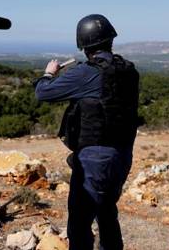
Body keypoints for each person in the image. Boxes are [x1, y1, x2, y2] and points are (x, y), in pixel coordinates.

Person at [34, 14, 139, 250]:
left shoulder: (86, 72)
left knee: (80, 222)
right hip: (123, 154)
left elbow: (43, 93)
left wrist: (49, 73)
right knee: (107, 212)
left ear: (83, 45)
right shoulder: (128, 70)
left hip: (95, 158)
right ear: (110, 39)